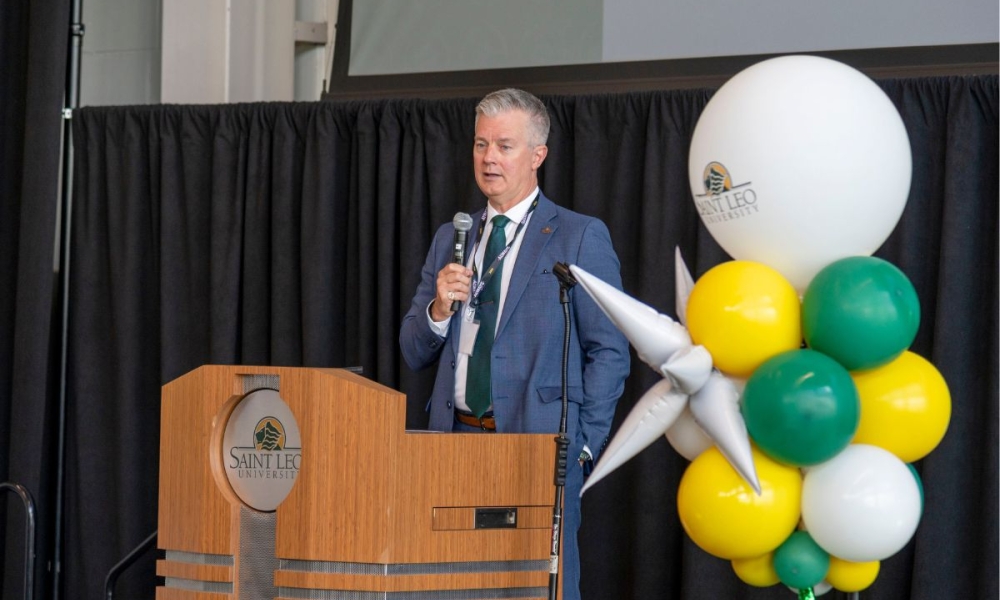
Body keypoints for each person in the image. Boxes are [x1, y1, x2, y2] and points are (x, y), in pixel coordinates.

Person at [399, 88, 630, 600]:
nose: (488, 158)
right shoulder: (451, 238)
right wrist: (439, 310)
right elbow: (413, 350)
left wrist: (584, 443)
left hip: (539, 447)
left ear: (537, 155)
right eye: (481, 145)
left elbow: (610, 351)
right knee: (452, 587)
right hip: (454, 444)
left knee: (533, 590)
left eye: (504, 145)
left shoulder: (578, 236)